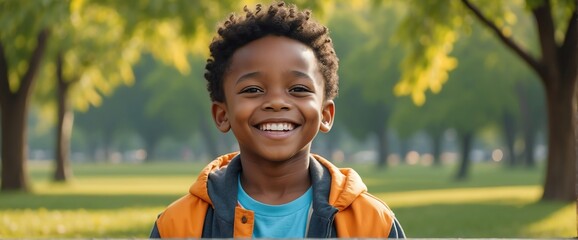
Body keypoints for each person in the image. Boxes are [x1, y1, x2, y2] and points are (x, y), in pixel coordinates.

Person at [149, 2, 405, 238]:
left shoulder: (373, 224)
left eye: (298, 89)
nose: (276, 102)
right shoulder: (179, 225)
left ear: (326, 115)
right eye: (252, 90)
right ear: (222, 115)